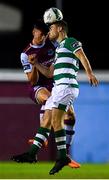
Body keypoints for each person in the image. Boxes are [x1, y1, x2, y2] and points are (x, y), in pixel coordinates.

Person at [11, 20, 99, 175]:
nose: (48, 31)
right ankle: (32, 153)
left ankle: (62, 156)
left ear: (59, 29)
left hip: (64, 87)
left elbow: (82, 56)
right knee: (47, 119)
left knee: (56, 120)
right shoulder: (54, 50)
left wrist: (90, 73)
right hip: (53, 87)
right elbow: (49, 73)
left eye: (50, 28)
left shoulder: (70, 41)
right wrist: (36, 64)